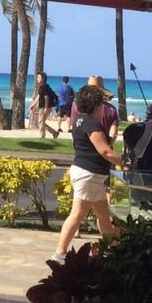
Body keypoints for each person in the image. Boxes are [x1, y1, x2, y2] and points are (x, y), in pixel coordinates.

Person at [53, 83, 121, 262]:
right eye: (101, 103)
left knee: (103, 216)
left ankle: (114, 251)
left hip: (91, 174)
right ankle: (59, 253)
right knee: (77, 214)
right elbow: (105, 151)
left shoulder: (79, 120)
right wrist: (125, 162)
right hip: (89, 174)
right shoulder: (91, 124)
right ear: (96, 105)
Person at [34, 72, 58, 138]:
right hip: (43, 106)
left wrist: (46, 108)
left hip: (44, 107)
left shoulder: (45, 87)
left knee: (40, 121)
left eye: (38, 77)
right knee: (41, 122)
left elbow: (46, 97)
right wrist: (33, 105)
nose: (37, 78)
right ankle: (54, 133)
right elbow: (39, 96)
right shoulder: (41, 86)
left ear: (43, 79)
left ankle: (42, 136)